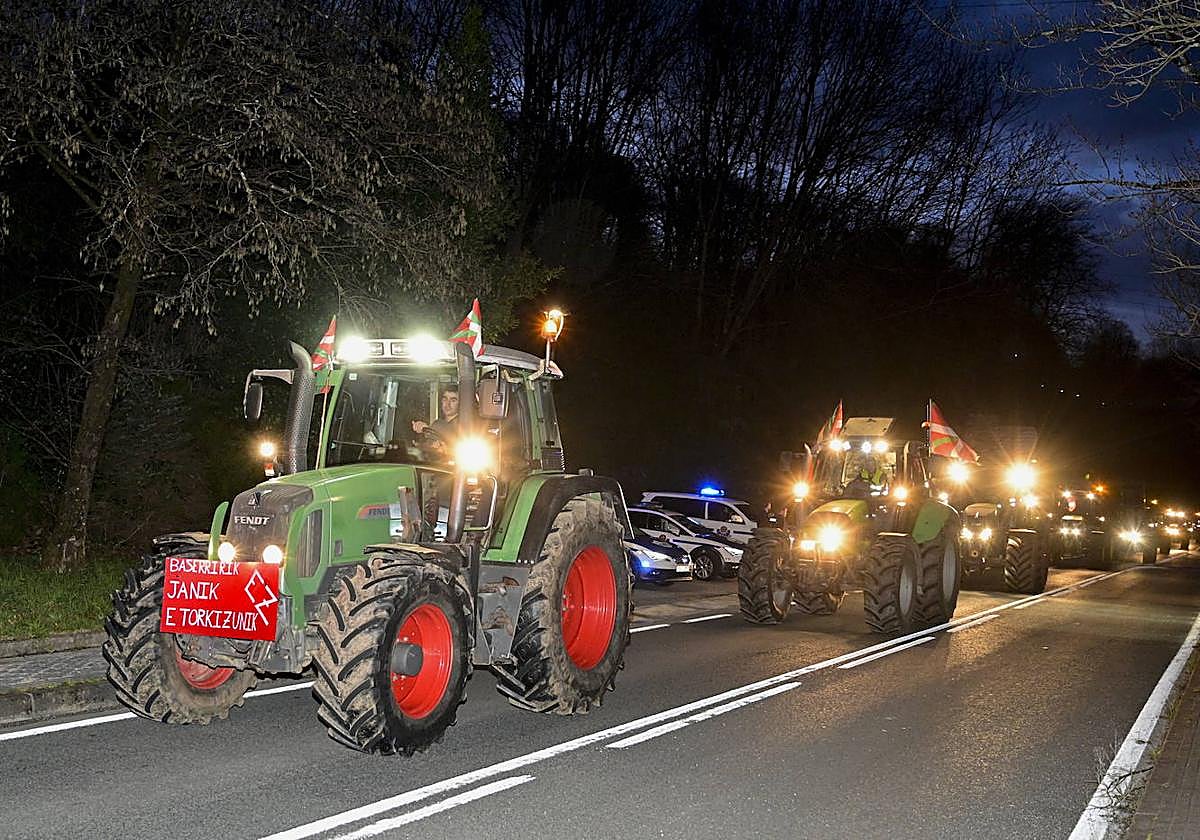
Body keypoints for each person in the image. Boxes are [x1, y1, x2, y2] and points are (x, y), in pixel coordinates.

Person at [411, 386, 460, 453]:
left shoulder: (465, 425)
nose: (447, 404)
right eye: (445, 399)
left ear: (460, 403)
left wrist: (427, 430)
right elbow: (428, 448)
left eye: (453, 400)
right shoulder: (437, 423)